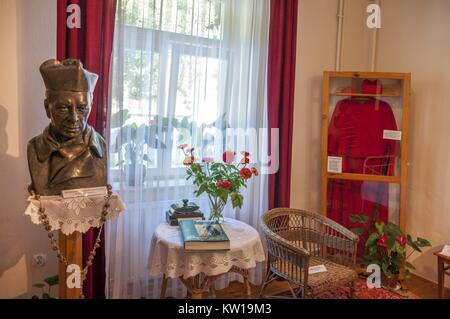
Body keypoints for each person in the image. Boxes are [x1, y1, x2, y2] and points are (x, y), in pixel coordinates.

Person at [27, 59, 107, 196]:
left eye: (82, 108)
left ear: (91, 106)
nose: (74, 118)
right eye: (63, 108)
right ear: (47, 108)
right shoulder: (35, 148)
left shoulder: (99, 146)